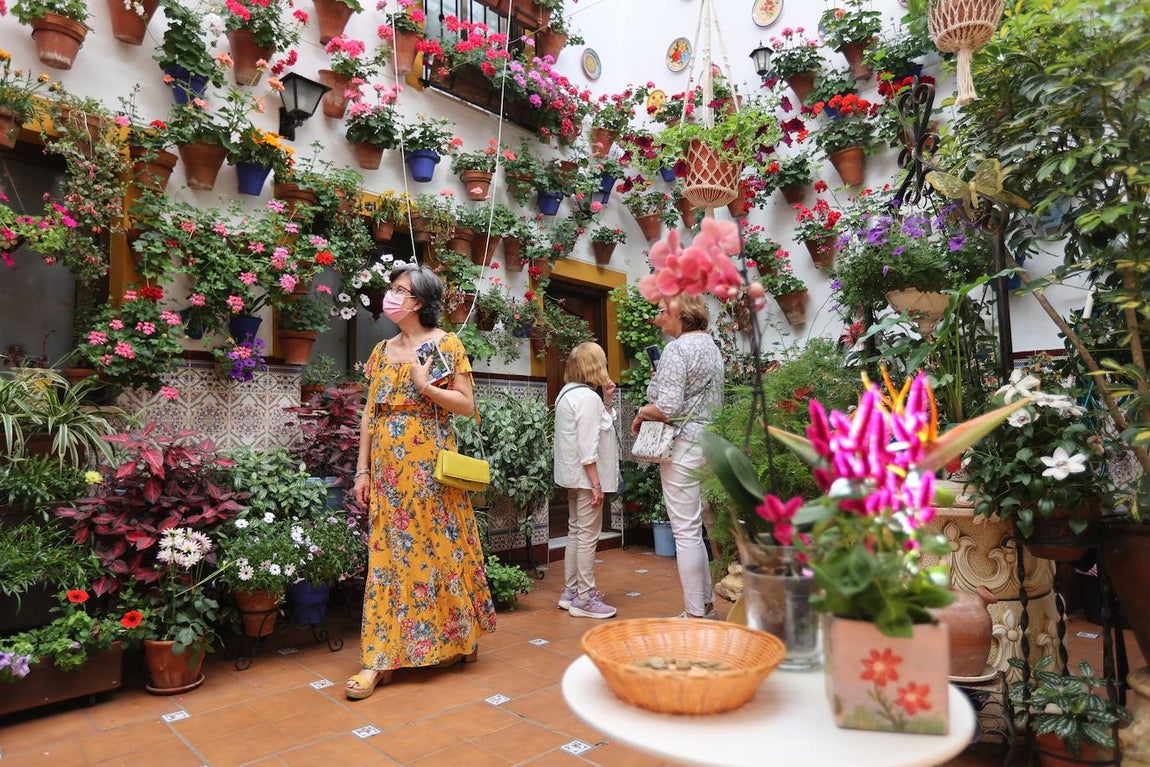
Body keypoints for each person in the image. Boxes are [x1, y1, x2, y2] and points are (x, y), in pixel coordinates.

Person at [346, 263, 496, 700]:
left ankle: (459, 636)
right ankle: (379, 658)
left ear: (419, 301)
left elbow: (466, 405)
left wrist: (425, 386)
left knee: (439, 548)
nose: (391, 296)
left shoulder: (444, 344)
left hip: (430, 469)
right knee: (387, 557)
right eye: (391, 288)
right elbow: (369, 415)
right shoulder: (381, 351)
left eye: (400, 290)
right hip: (387, 473)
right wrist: (362, 470)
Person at [631, 294, 724, 619]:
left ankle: (696, 614)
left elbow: (667, 408)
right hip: (711, 443)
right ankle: (706, 607)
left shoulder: (677, 349)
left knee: (685, 531)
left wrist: (641, 412)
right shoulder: (712, 347)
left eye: (662, 311)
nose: (658, 318)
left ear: (680, 314)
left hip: (683, 445)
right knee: (700, 528)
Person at [553, 342, 620, 619]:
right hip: (586, 478)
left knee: (576, 532)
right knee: (588, 537)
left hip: (572, 477)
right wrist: (596, 484)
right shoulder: (587, 398)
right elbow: (588, 445)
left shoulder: (568, 393)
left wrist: (607, 400)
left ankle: (570, 592)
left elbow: (599, 425)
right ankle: (585, 598)